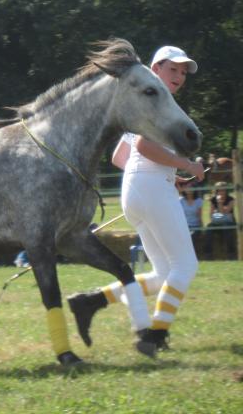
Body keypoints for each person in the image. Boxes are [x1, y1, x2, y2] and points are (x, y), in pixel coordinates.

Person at [68, 45, 205, 355]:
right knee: (185, 265)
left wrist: (169, 174)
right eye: (173, 69)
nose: (180, 76)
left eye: (183, 72)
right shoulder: (157, 107)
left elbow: (121, 157)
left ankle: (91, 301)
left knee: (161, 275)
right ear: (155, 69)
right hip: (152, 189)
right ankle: (154, 336)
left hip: (138, 189)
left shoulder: (140, 103)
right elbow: (143, 146)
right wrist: (185, 165)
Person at [204, 181, 236, 260]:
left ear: (226, 190)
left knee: (227, 229)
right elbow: (211, 215)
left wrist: (219, 203)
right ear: (216, 191)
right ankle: (208, 254)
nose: (221, 192)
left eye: (223, 190)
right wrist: (218, 211)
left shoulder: (231, 199)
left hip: (228, 222)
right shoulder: (213, 200)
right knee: (208, 229)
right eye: (219, 190)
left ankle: (231, 254)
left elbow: (225, 211)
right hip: (216, 222)